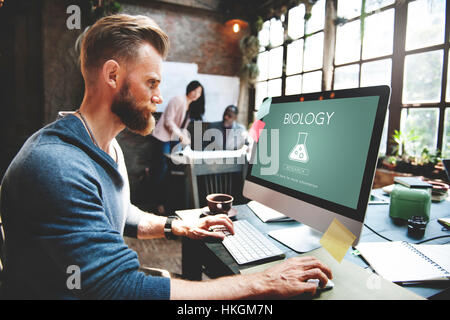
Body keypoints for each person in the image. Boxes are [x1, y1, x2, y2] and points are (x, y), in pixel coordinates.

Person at [0, 14, 332, 300]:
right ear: (112, 76)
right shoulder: (57, 166)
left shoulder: (105, 146)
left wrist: (180, 227)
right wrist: (262, 283)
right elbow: (123, 288)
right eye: (152, 83)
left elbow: (120, 213)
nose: (159, 97)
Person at [150, 80, 204, 214]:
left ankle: (169, 201)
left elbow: (182, 127)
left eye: (199, 92)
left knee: (172, 170)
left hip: (173, 139)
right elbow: (168, 121)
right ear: (189, 89)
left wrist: (185, 138)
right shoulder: (178, 99)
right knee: (161, 169)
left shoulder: (191, 106)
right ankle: (158, 203)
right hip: (163, 137)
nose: (197, 94)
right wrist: (180, 136)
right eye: (195, 91)